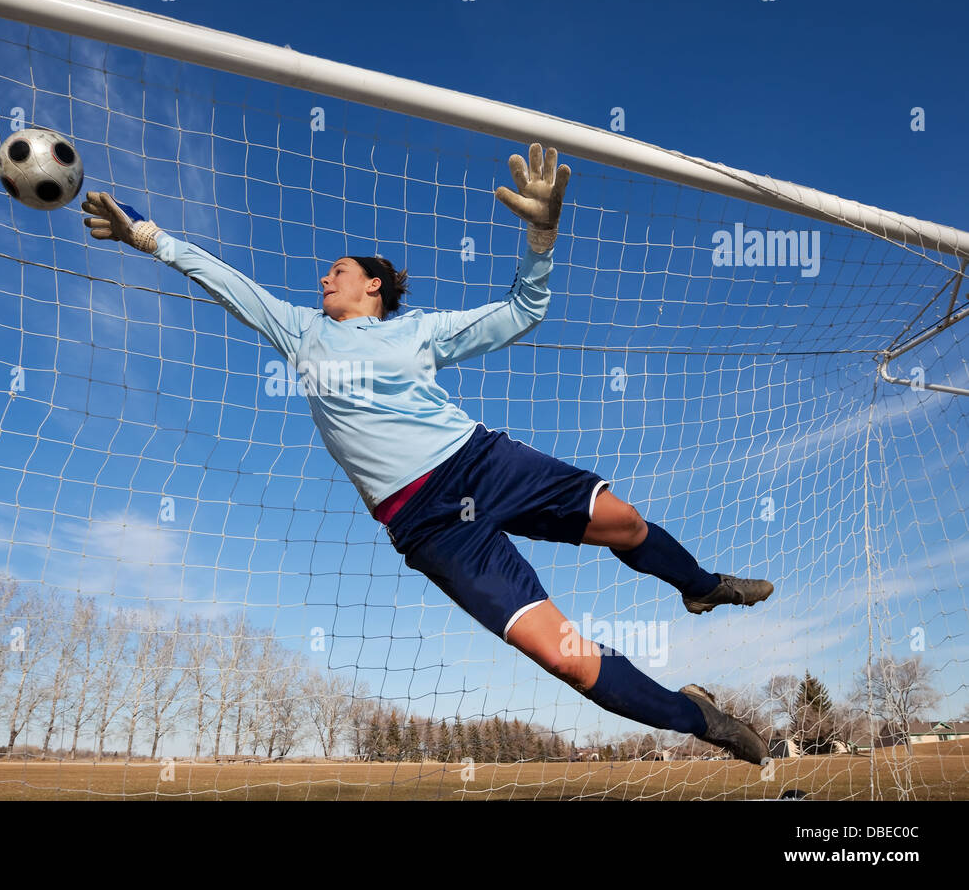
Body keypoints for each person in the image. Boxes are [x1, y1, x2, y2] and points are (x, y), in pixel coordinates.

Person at [82, 142, 773, 764]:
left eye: (338, 269)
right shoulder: (299, 331)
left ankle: (699, 584)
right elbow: (227, 281)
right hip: (429, 524)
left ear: (373, 284)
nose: (324, 278)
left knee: (622, 520)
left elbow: (519, 313)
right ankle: (700, 717)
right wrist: (147, 235)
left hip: (479, 463)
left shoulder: (419, 332)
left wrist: (540, 237)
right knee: (566, 657)